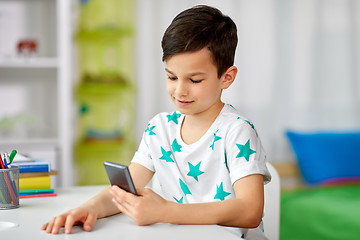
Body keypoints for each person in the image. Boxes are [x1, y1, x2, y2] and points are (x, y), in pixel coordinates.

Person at [42, 5, 271, 239]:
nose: (179, 90)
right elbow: (124, 191)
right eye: (171, 77)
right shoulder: (159, 128)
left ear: (227, 77)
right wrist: (88, 209)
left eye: (194, 79)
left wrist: (166, 212)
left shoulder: (237, 131)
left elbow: (250, 211)